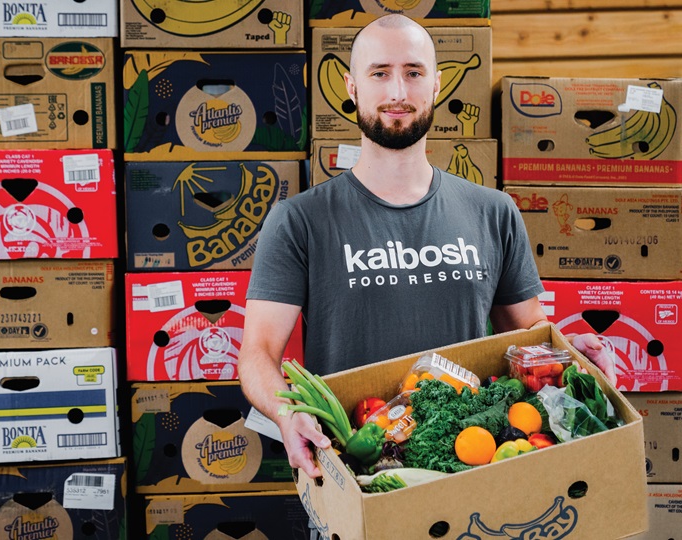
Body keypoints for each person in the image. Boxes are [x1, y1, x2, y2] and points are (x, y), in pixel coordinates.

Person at [239, 14, 616, 480]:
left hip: (474, 467)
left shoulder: (493, 211)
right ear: (351, 86)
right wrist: (286, 413)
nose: (398, 92)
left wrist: (568, 349)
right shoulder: (299, 220)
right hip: (357, 473)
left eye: (413, 73)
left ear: (436, 85)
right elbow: (256, 354)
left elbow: (528, 334)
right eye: (380, 73)